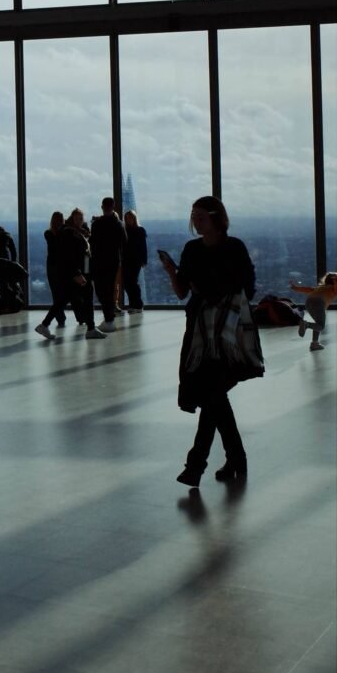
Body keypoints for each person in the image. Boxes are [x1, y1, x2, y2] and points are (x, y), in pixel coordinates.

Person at [160, 196, 264, 487]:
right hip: (202, 332)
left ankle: (197, 465)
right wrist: (172, 271)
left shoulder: (233, 248)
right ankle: (234, 459)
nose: (195, 221)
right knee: (214, 396)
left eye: (200, 216)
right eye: (193, 216)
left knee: (212, 395)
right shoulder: (194, 249)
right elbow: (183, 292)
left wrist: (210, 290)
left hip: (226, 332)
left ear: (216, 218)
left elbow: (246, 288)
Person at [58, 209, 106, 340]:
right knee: (78, 297)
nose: (80, 221)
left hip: (84, 271)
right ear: (72, 219)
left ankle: (91, 327)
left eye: (81, 218)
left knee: (81, 297)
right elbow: (70, 256)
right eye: (78, 218)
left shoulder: (80, 231)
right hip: (79, 272)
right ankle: (90, 328)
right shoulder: (69, 233)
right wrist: (77, 273)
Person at [90, 198, 127, 333]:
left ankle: (109, 319)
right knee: (109, 289)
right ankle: (109, 319)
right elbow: (124, 242)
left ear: (102, 207)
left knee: (101, 290)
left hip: (99, 261)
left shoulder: (97, 224)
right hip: (113, 261)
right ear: (113, 206)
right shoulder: (118, 224)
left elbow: (92, 242)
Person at [35, 211, 67, 339]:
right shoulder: (50, 234)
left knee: (58, 295)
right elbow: (58, 246)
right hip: (57, 267)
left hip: (54, 267)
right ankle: (58, 319)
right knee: (60, 295)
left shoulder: (50, 233)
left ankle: (59, 318)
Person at [289, 273, 337, 351]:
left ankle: (314, 343)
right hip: (319, 302)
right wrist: (335, 281)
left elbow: (307, 289)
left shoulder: (321, 287)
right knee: (321, 326)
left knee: (317, 323)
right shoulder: (333, 288)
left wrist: (295, 288)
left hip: (308, 302)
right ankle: (306, 324)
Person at [121, 209, 148, 313]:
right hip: (125, 260)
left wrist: (144, 260)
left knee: (132, 282)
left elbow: (143, 247)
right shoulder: (124, 230)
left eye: (130, 218)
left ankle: (137, 305)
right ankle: (133, 304)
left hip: (135, 260)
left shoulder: (140, 230)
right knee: (127, 283)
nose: (128, 220)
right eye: (126, 218)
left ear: (134, 218)